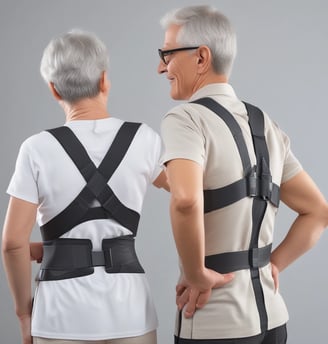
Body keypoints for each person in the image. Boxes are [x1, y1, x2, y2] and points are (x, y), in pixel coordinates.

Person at [157, 5, 328, 344]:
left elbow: (186, 200)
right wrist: (273, 264)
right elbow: (318, 211)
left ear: (201, 57)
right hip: (273, 319)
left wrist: (195, 274)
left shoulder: (185, 120)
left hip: (215, 321)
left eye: (167, 54)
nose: (161, 67)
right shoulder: (266, 124)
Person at [2, 29, 168, 344]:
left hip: (59, 318)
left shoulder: (36, 149)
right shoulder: (144, 139)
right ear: (104, 80)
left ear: (53, 89)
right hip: (130, 312)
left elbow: (12, 244)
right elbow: (188, 193)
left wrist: (25, 316)